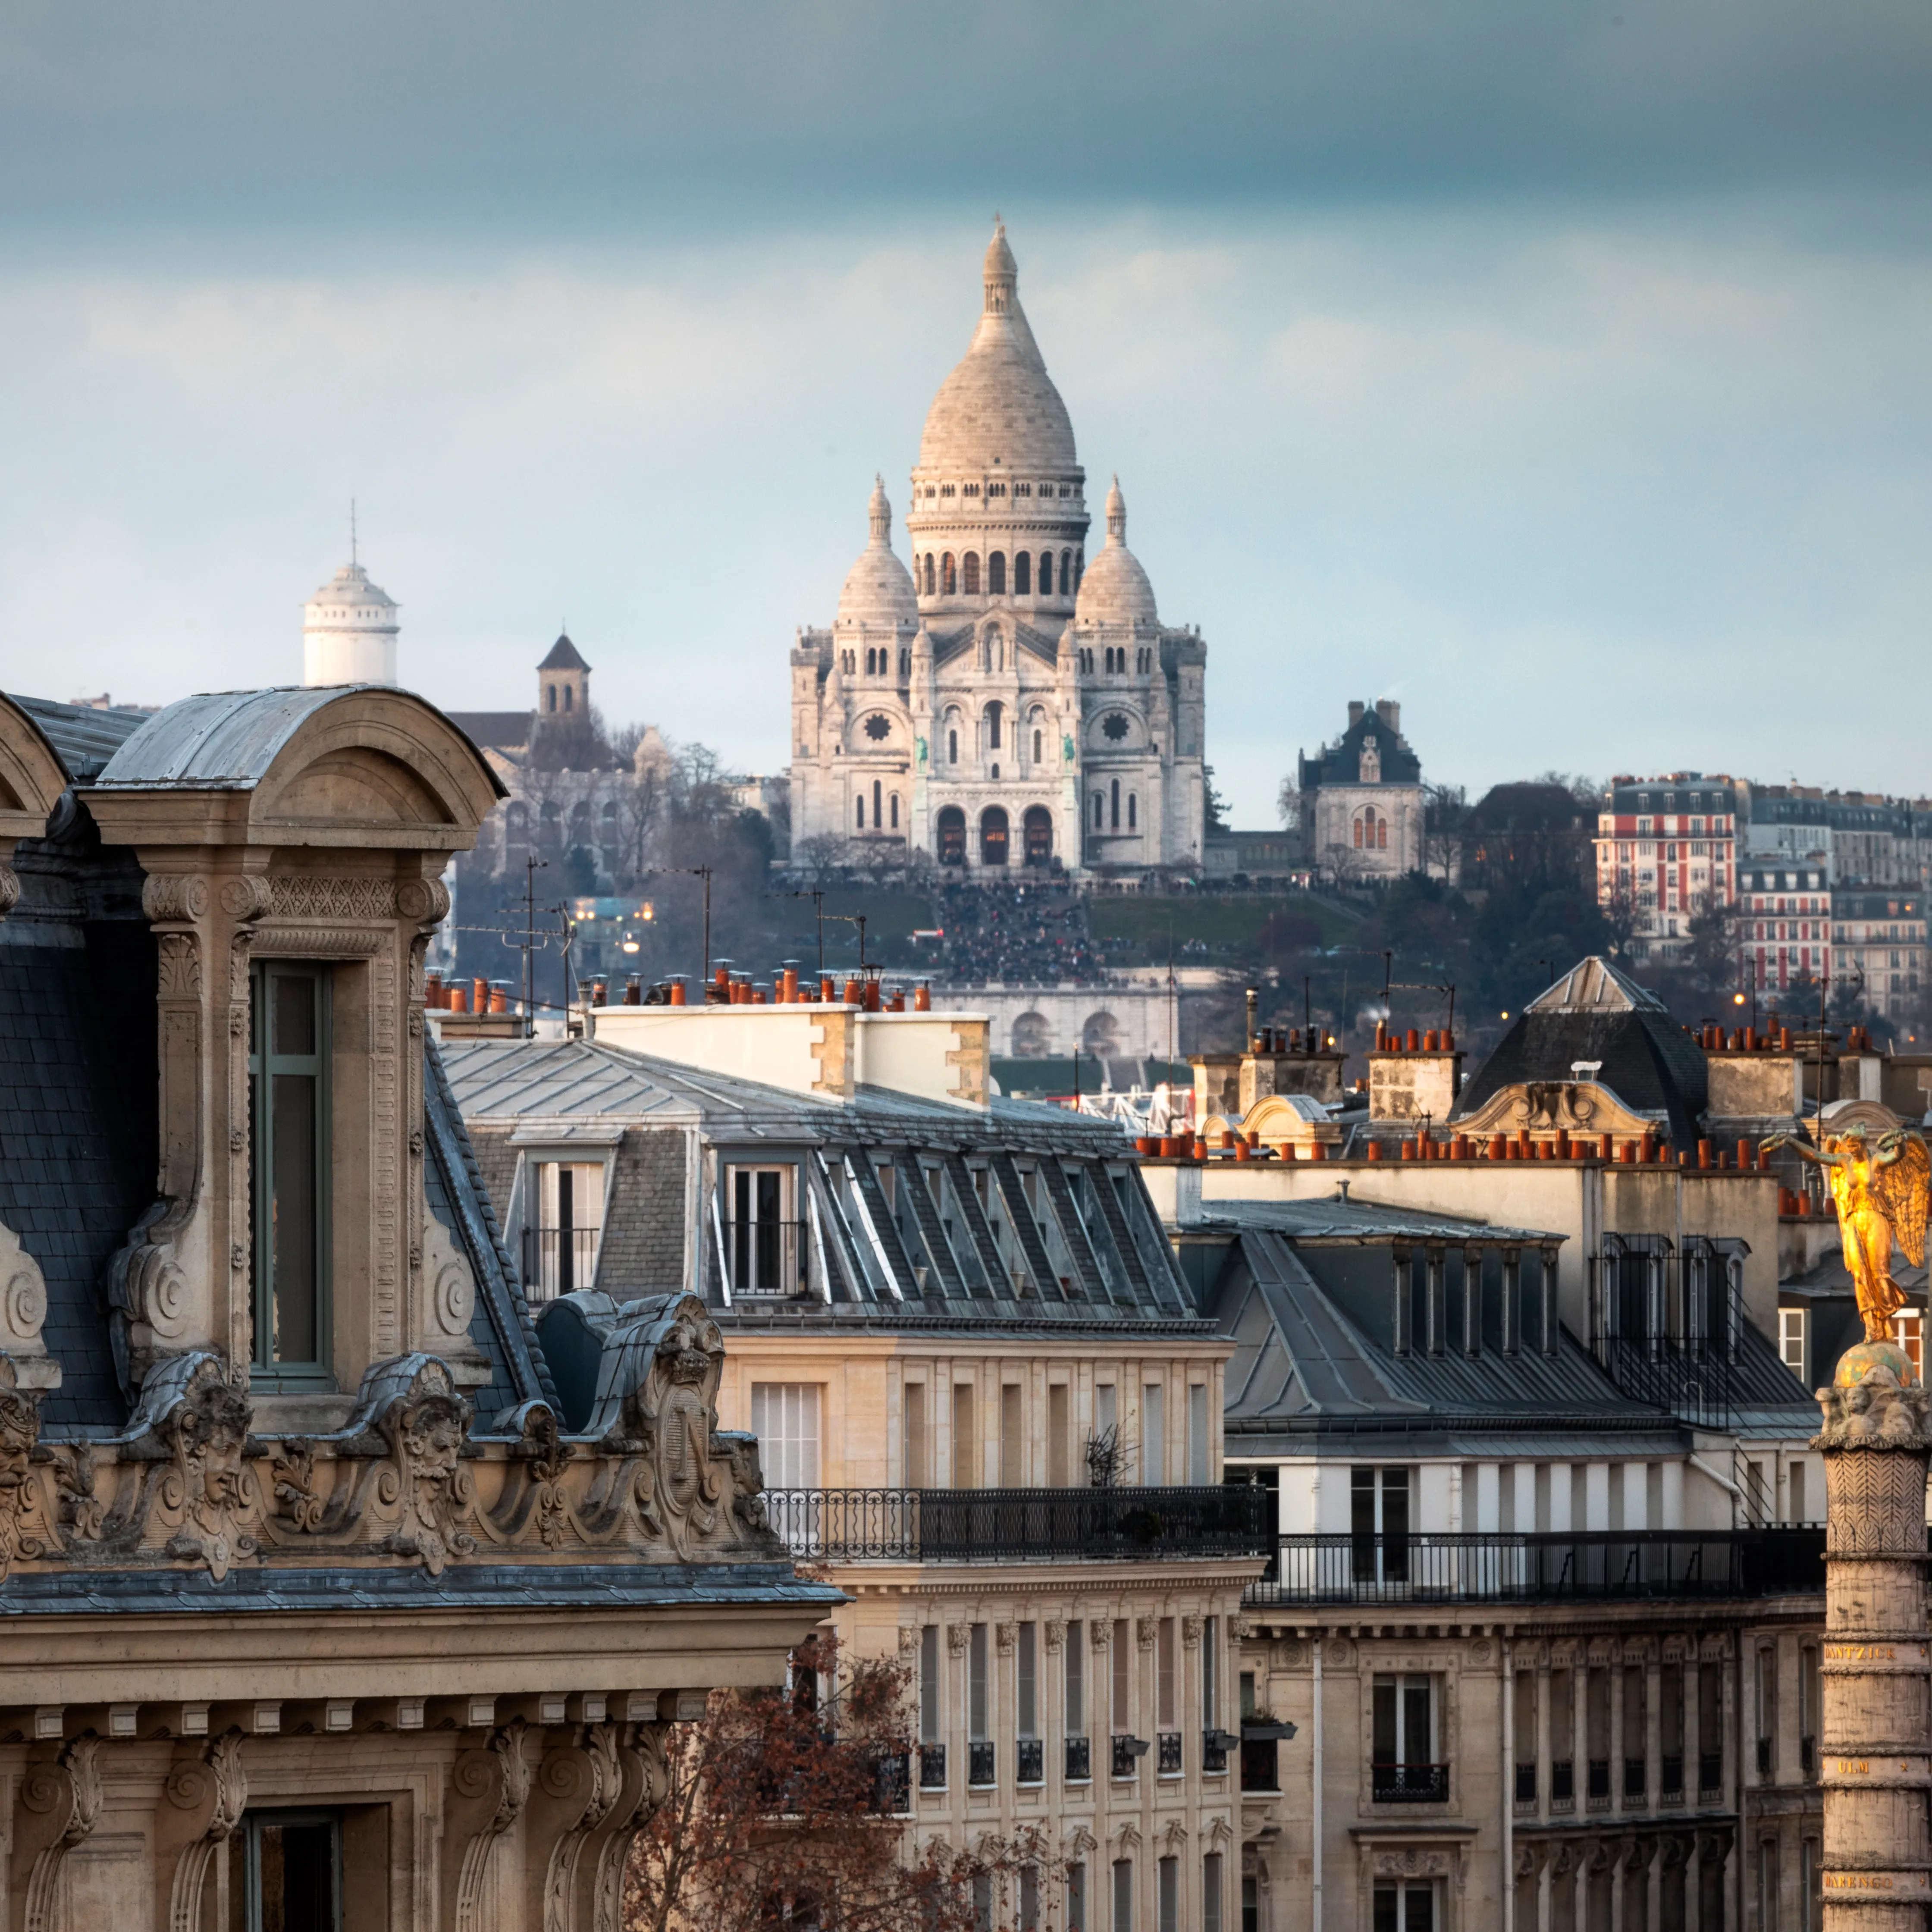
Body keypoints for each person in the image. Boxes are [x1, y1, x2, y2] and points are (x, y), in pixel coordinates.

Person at [1763, 1122, 1931, 1343]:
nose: (1851, 1151)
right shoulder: (1845, 1161)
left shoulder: (1877, 1160)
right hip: (1854, 1220)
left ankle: (1885, 1321)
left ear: (1862, 1143)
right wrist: (1790, 1141)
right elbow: (1816, 1157)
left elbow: (1897, 1157)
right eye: (1849, 1148)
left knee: (1880, 1273)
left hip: (1876, 1218)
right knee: (1860, 1274)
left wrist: (1902, 1142)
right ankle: (1871, 1325)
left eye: (1854, 1147)